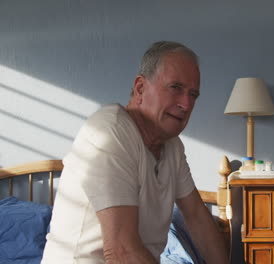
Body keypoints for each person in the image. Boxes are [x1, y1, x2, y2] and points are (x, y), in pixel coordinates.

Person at [41, 41, 229, 264]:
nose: (186, 104)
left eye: (193, 94)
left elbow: (197, 217)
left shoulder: (173, 147)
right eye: (176, 88)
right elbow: (121, 251)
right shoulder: (110, 132)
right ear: (140, 88)